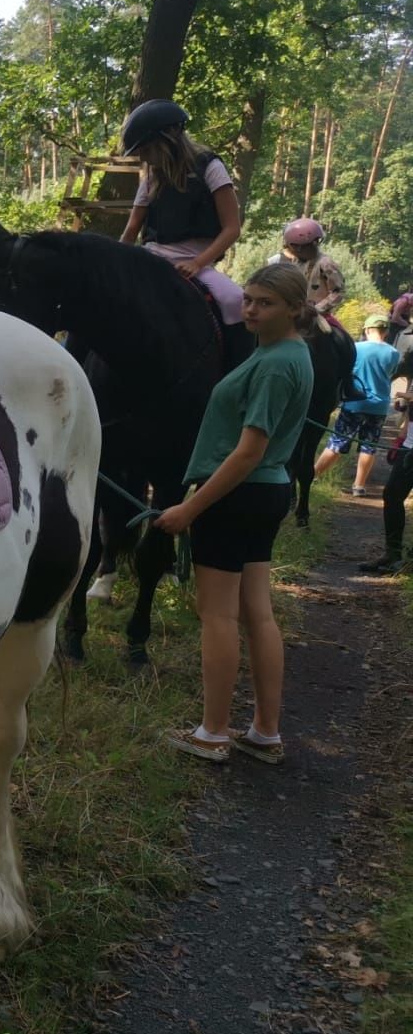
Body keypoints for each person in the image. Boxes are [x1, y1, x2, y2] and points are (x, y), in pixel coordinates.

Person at [154, 263, 315, 764]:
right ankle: (265, 731)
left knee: (217, 615)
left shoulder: (273, 364)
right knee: (255, 612)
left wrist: (189, 508)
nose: (250, 309)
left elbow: (248, 451)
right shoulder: (289, 353)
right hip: (265, 494)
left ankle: (213, 732)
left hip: (237, 496)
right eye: (247, 299)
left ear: (293, 308)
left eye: (264, 302)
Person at [118, 100, 246, 353]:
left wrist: (198, 263)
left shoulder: (210, 167)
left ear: (168, 139)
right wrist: (116, 262)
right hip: (151, 257)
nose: (141, 157)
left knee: (235, 301)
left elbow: (232, 228)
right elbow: (132, 229)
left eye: (145, 149)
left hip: (194, 264)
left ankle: (237, 374)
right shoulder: (151, 177)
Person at [315, 314, 401, 496]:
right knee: (369, 445)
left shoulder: (356, 348)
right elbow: (390, 373)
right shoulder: (393, 353)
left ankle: (313, 474)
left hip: (355, 402)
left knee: (337, 442)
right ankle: (359, 486)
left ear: (367, 330)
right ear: (385, 332)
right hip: (379, 405)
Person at [359, 371, 413, 574]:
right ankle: (393, 554)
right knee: (391, 495)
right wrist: (405, 421)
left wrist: (406, 395)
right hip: (408, 446)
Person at [268, 218, 346, 316]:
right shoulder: (296, 261)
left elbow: (338, 292)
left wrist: (317, 309)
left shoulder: (325, 263)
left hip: (317, 316)